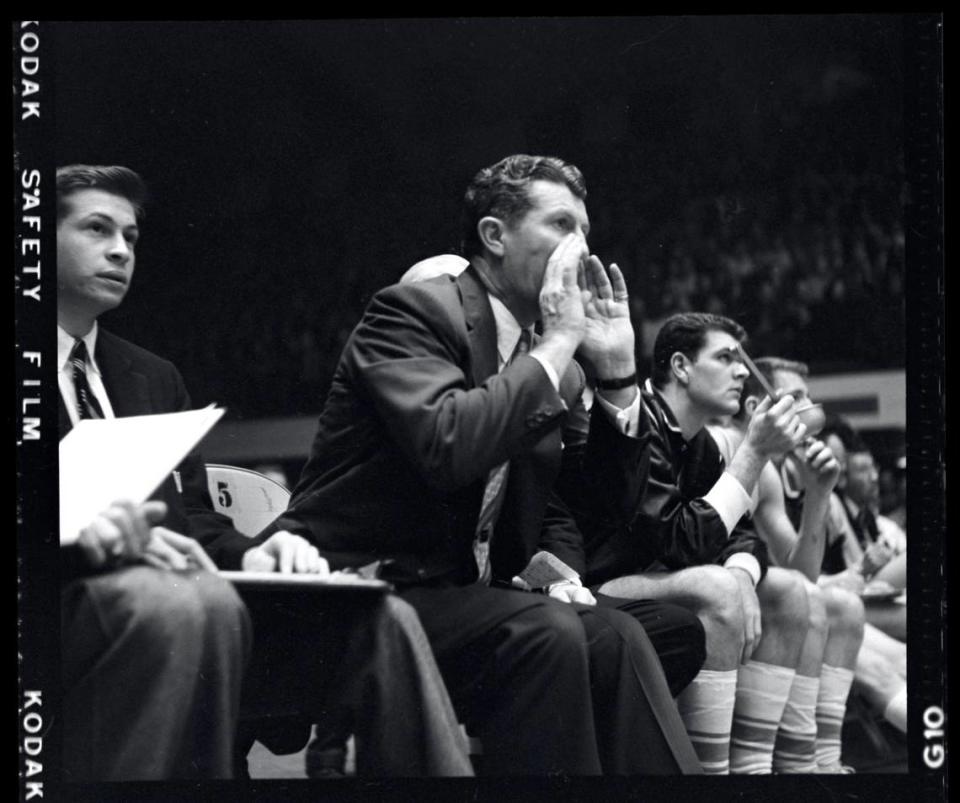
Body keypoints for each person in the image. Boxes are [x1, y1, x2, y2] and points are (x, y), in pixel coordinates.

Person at [260, 154, 703, 775]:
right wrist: (555, 345)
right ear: (494, 236)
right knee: (548, 634)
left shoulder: (543, 359)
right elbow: (449, 448)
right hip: (362, 588)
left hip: (464, 595)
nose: (579, 248)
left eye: (584, 230)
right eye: (559, 226)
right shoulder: (412, 311)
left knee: (619, 636)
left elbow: (603, 509)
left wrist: (618, 377)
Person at [56, 164, 472, 778]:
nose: (120, 249)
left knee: (375, 614)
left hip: (178, 594)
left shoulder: (152, 375)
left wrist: (253, 553)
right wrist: (70, 533)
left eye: (131, 236)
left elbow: (193, 518)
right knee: (189, 608)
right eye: (97, 229)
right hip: (65, 596)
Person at [580, 312, 817, 775]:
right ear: (682, 367)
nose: (743, 371)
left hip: (650, 584)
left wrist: (741, 574)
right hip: (589, 586)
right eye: (726, 357)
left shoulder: (701, 444)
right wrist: (753, 453)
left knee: (788, 592)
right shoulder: (633, 422)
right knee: (718, 588)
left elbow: (745, 538)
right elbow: (680, 543)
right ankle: (713, 777)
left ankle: (767, 771)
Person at [711, 356, 866, 772]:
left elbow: (803, 574)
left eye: (809, 397)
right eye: (796, 397)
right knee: (805, 597)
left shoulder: (773, 472)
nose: (809, 408)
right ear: (755, 409)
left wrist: (819, 494)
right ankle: (772, 766)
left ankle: (820, 760)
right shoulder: (718, 442)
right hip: (723, 592)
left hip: (776, 595)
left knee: (845, 607)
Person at [61, 498, 251, 781]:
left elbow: (193, 513)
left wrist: (250, 553)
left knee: (217, 600)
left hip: (136, 565)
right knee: (162, 608)